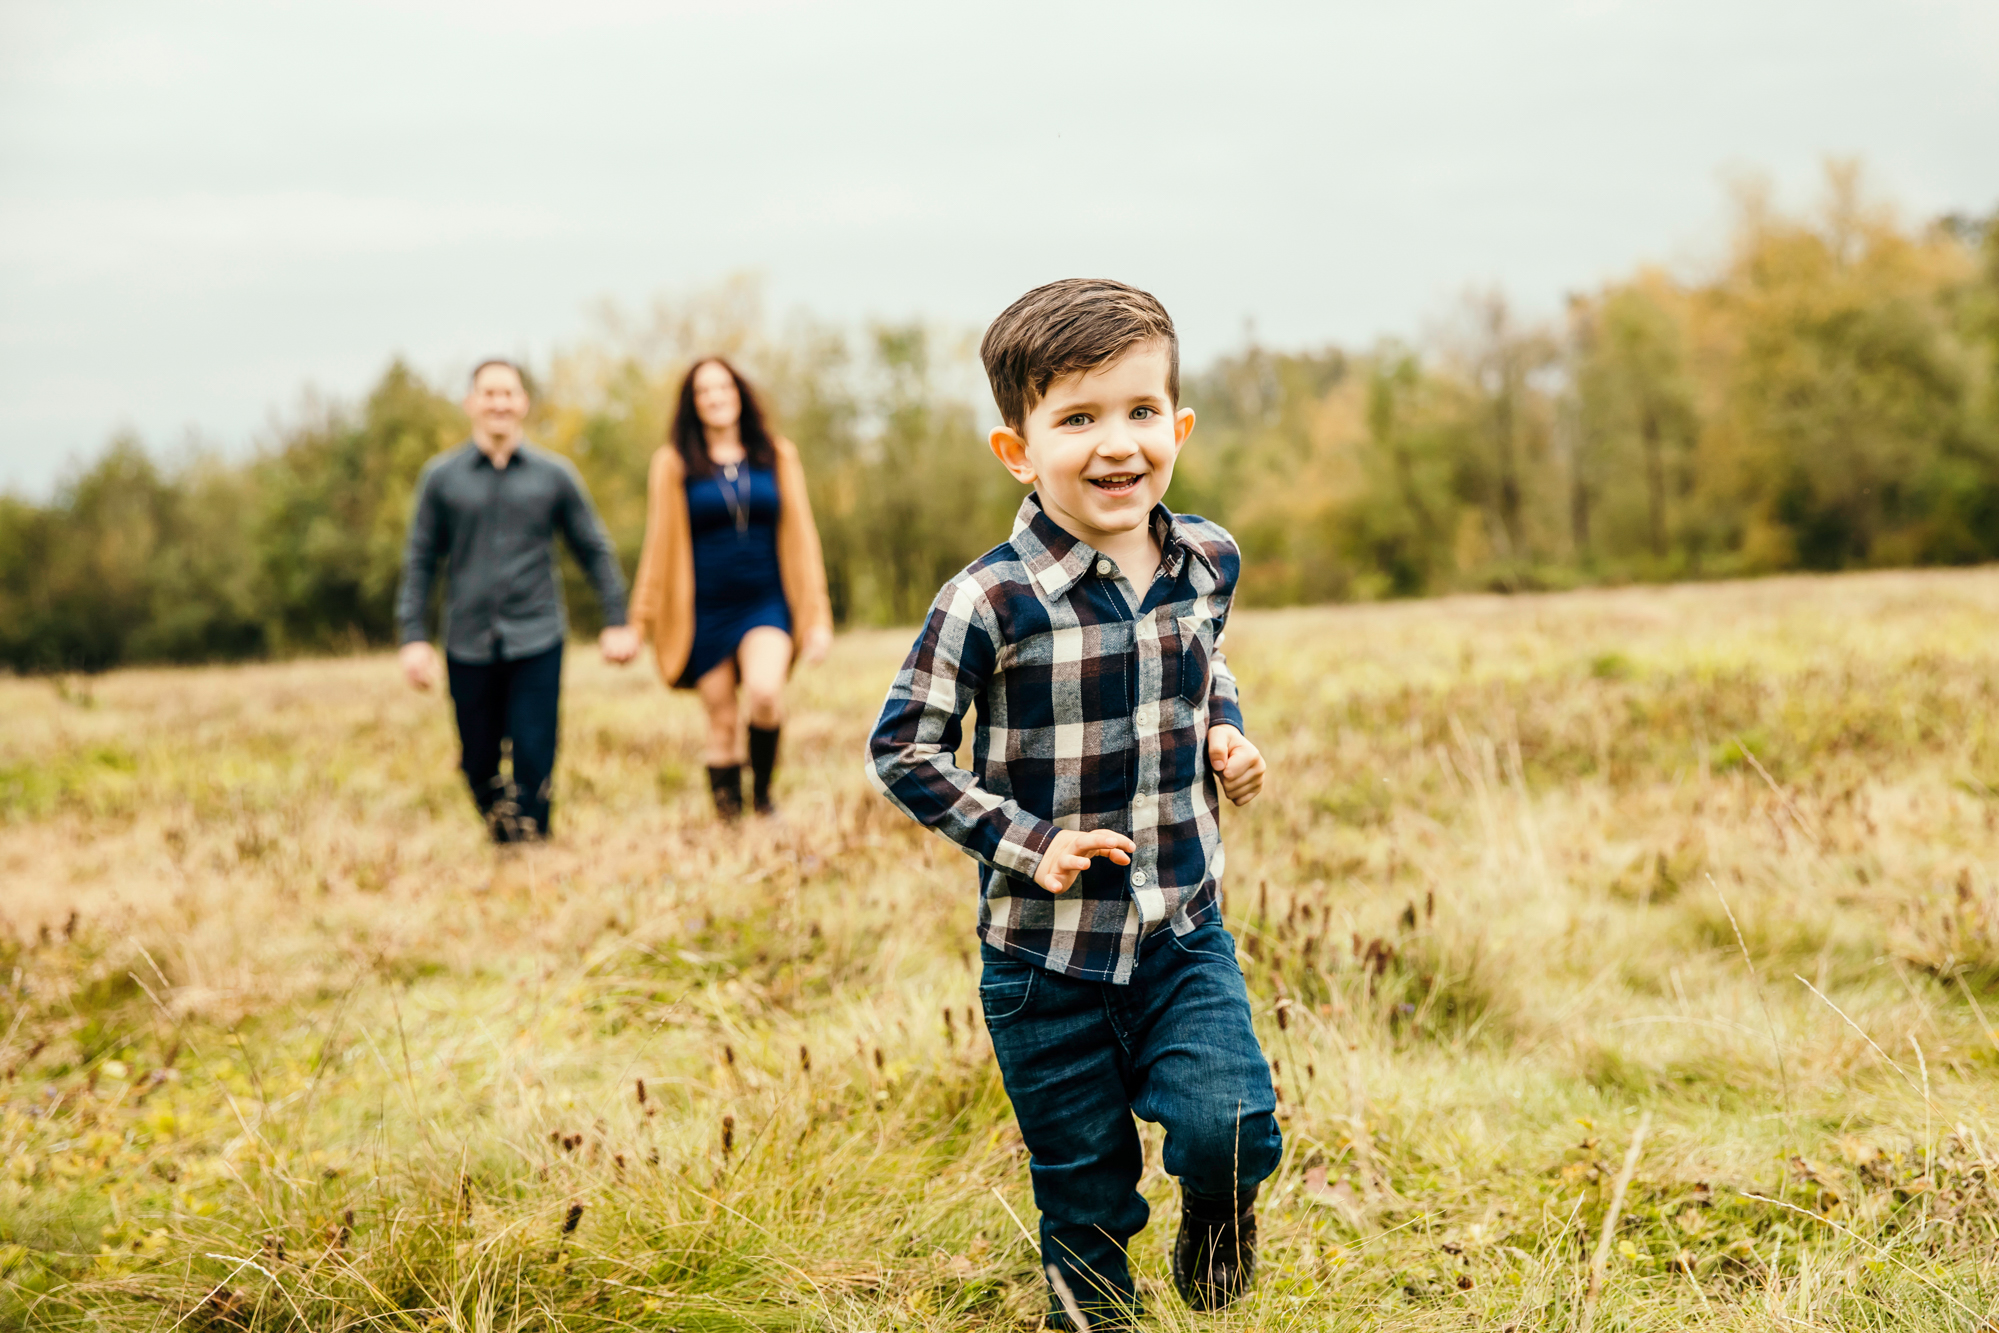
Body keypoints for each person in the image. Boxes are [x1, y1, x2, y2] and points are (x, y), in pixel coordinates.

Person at [867, 279, 1277, 1329]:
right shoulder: (986, 600)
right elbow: (904, 748)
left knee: (1231, 1126)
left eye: (1141, 413)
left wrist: (1221, 728)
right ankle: (1092, 1313)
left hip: (1181, 925)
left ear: (1178, 425)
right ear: (1018, 449)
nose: (1117, 445)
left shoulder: (1207, 561)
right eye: (1078, 419)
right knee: (1084, 1189)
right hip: (1041, 958)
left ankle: (1220, 1214)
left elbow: (1203, 661)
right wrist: (1024, 840)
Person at [395, 358, 639, 842]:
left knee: (534, 749)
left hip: (537, 636)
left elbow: (594, 549)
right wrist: (413, 637)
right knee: (479, 757)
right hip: (467, 640)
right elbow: (420, 560)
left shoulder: (555, 475)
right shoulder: (441, 479)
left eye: (508, 393)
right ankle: (503, 833)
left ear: (524, 403)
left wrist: (617, 619)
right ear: (471, 404)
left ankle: (532, 844)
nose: (499, 403)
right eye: (489, 394)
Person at [628, 358, 832, 819]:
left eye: (723, 387)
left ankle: (762, 800)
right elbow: (657, 547)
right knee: (720, 721)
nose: (715, 397)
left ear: (740, 394)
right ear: (693, 404)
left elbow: (804, 539)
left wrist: (817, 619)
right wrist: (639, 621)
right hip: (704, 611)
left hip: (766, 603)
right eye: (704, 391)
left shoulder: (777, 456)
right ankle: (729, 823)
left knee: (763, 692)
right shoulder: (673, 463)